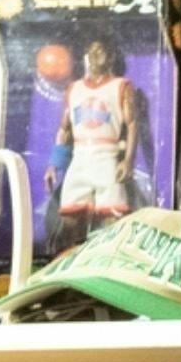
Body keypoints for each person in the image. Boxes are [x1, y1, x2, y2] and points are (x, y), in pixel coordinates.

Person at [51, 39, 140, 251]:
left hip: (106, 157)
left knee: (113, 218)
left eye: (99, 51)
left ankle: (112, 258)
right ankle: (68, 260)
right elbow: (64, 129)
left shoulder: (120, 86)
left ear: (110, 56)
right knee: (71, 219)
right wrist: (54, 163)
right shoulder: (75, 89)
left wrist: (128, 161)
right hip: (80, 158)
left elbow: (132, 124)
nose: (94, 56)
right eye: (90, 51)